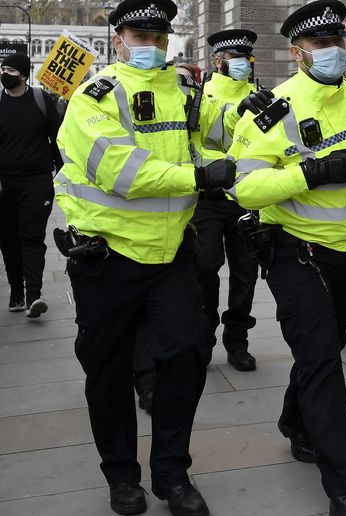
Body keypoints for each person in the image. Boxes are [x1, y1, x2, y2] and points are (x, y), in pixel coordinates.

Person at [53, 1, 234, 514]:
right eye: (140, 34)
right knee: (107, 373)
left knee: (188, 353)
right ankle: (121, 477)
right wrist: (200, 177)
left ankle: (172, 474)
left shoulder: (184, 91)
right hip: (106, 260)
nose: (152, 45)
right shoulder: (95, 96)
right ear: (117, 38)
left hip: (170, 253)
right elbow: (122, 173)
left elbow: (222, 139)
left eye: (159, 35)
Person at [225, 1, 346, 514]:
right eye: (321, 44)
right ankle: (345, 489)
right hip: (297, 254)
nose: (334, 51)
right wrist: (310, 174)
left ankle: (295, 423)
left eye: (339, 41)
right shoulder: (271, 109)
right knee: (322, 364)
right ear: (297, 53)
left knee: (326, 348)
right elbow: (244, 189)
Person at [195, 29, 261, 371]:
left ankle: (237, 341)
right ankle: (205, 334)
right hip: (209, 195)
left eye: (247, 58)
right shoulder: (200, 95)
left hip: (246, 197)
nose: (244, 64)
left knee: (245, 272)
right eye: (237, 58)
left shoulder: (260, 93)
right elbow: (199, 141)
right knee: (205, 266)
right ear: (218, 61)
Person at [0, 52, 62, 317]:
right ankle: (16, 290)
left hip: (37, 182)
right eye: (3, 69)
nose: (5, 74)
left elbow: (58, 138)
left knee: (32, 237)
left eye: (11, 71)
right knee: (8, 240)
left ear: (24, 75)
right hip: (4, 184)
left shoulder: (40, 99)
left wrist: (64, 172)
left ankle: (34, 294)